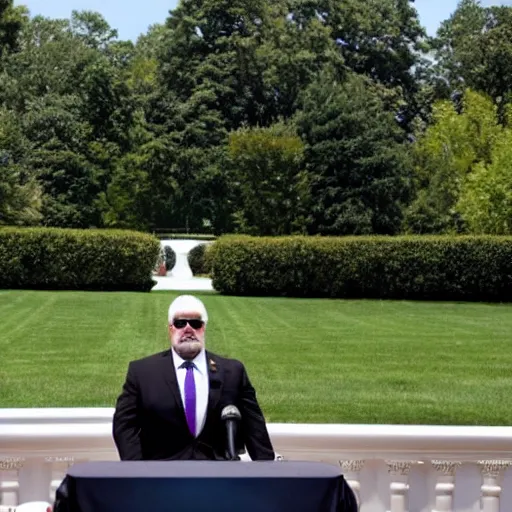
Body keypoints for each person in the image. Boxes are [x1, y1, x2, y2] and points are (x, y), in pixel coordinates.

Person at [112, 294, 275, 461]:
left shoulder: (233, 372)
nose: (188, 329)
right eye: (180, 323)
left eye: (195, 323)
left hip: (217, 476)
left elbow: (255, 429)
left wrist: (269, 475)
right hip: (160, 476)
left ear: (203, 327)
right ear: (170, 328)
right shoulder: (142, 372)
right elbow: (124, 425)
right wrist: (136, 472)